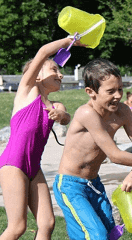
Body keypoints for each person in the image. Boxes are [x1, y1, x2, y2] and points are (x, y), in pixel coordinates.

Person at [52, 58, 132, 240]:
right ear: (91, 92)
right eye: (110, 91)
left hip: (94, 184)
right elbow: (114, 155)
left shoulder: (123, 112)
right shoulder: (87, 113)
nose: (118, 95)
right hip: (70, 185)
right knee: (96, 235)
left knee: (111, 234)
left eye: (120, 89)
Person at [0, 38, 82, 239]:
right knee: (17, 227)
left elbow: (65, 117)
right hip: (14, 164)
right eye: (54, 70)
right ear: (37, 76)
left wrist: (61, 116)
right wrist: (69, 40)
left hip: (33, 168)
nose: (60, 74)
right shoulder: (27, 91)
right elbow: (43, 52)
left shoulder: (55, 105)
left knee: (47, 223)